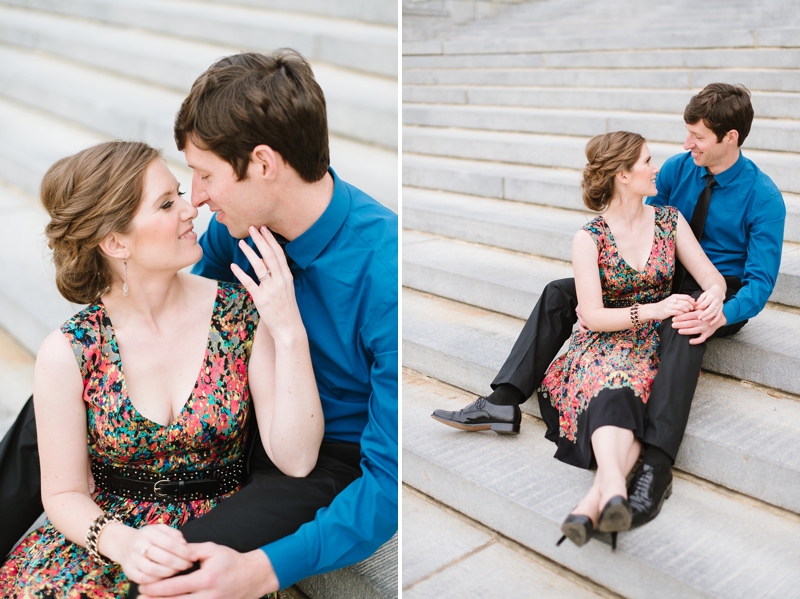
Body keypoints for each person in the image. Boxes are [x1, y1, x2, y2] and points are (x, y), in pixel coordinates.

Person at [0, 50, 398, 599]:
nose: (197, 199)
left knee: (166, 575)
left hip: (318, 451)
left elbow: (388, 481)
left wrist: (268, 569)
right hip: (236, 412)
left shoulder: (385, 268)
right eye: (182, 187)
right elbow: (165, 302)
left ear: (262, 163)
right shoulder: (234, 231)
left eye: (204, 175)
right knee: (69, 379)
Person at [432, 83, 785, 528]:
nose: (686, 143)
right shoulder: (679, 169)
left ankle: (656, 463)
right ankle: (504, 400)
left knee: (687, 317)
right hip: (668, 273)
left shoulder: (764, 197)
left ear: (730, 137)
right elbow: (642, 224)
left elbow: (760, 282)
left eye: (697, 135)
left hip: (723, 291)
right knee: (562, 291)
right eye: (687, 132)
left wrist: (722, 307)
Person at [0, 139, 321, 597]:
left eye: (181, 194)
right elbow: (64, 494)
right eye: (168, 203)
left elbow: (297, 458)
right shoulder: (70, 351)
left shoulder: (240, 314)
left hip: (218, 538)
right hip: (106, 541)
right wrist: (126, 544)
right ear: (115, 242)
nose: (191, 210)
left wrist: (289, 330)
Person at [537, 132, 725, 548]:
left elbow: (711, 276)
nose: (656, 168)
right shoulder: (589, 237)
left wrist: (713, 296)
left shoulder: (669, 221)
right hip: (600, 344)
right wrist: (654, 310)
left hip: (650, 348)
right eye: (647, 161)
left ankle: (596, 500)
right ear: (622, 174)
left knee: (630, 395)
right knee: (614, 388)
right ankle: (614, 492)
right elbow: (592, 315)